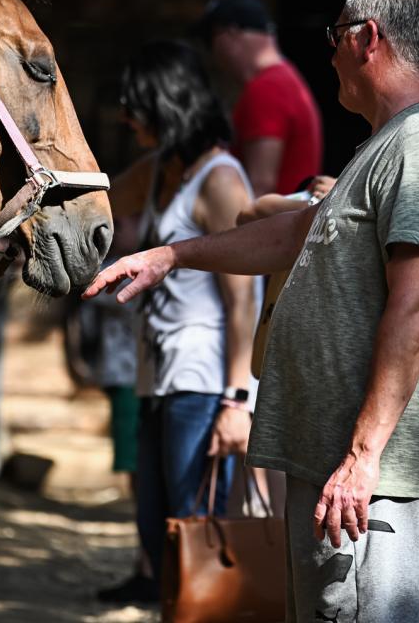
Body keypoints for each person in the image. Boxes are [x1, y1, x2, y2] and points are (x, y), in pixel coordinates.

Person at [87, 0, 419, 623]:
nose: (328, 53)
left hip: (363, 486)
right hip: (341, 471)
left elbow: (417, 308)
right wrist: (173, 255)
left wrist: (362, 458)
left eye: (335, 36)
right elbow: (293, 235)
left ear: (367, 38)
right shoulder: (386, 147)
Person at [97, 39, 259, 599]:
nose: (126, 117)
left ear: (167, 102)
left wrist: (237, 401)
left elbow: (244, 299)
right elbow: (102, 204)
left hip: (202, 383)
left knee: (194, 533)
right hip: (158, 376)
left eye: (135, 104)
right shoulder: (166, 167)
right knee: (155, 530)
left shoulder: (220, 180)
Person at [196, 0, 324, 196]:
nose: (212, 54)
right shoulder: (285, 78)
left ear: (230, 34)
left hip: (273, 225)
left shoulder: (267, 88)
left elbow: (260, 185)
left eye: (209, 40)